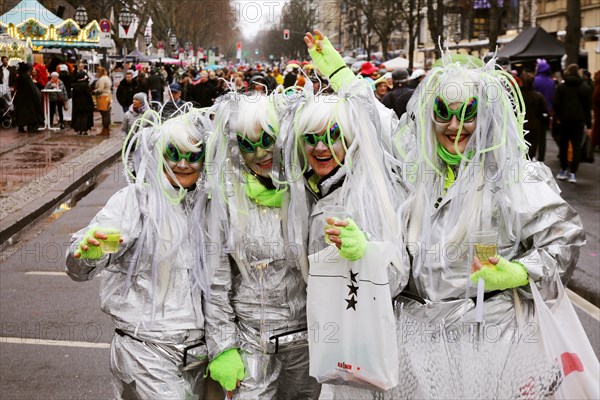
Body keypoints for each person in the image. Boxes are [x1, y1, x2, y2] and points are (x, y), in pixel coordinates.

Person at [390, 52, 586, 397]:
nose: (454, 126)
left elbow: (564, 239)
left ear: (488, 117)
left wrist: (520, 272)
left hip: (492, 342)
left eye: (468, 115)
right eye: (443, 114)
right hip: (418, 348)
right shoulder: (414, 178)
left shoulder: (513, 178)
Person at [66, 110, 211, 399]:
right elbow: (79, 266)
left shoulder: (208, 206)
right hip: (145, 352)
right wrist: (91, 252)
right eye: (173, 153)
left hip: (199, 356)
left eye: (193, 155)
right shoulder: (135, 202)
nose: (182, 164)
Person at [298, 29, 408, 398]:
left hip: (360, 354)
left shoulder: (368, 191)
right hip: (319, 351)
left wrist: (366, 253)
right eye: (310, 138)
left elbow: (397, 276)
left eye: (333, 135)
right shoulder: (303, 191)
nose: (321, 147)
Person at [202, 92, 322, 399]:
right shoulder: (226, 200)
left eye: (266, 140)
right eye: (247, 144)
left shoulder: (312, 188)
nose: (259, 153)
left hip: (309, 338)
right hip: (252, 340)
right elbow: (215, 281)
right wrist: (223, 348)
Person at [554, 63, 593, 183]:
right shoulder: (585, 88)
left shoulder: (561, 87)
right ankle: (573, 172)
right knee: (576, 146)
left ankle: (563, 169)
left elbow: (556, 104)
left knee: (564, 145)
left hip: (565, 120)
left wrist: (558, 117)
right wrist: (589, 125)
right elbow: (587, 107)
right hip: (579, 121)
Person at [520, 72, 548, 161]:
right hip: (534, 124)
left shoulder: (516, 95)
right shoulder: (538, 96)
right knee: (532, 146)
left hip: (519, 124)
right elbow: (544, 111)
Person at [14, 63, 44, 133]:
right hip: (28, 98)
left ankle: (20, 126)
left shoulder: (20, 76)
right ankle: (30, 126)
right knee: (29, 112)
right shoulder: (27, 77)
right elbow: (32, 88)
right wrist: (37, 95)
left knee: (21, 112)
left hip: (20, 97)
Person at [93, 66, 112, 136]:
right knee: (106, 114)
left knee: (104, 114)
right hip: (108, 96)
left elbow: (100, 89)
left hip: (103, 97)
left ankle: (105, 130)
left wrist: (94, 91)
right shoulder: (107, 78)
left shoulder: (102, 79)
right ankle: (106, 130)